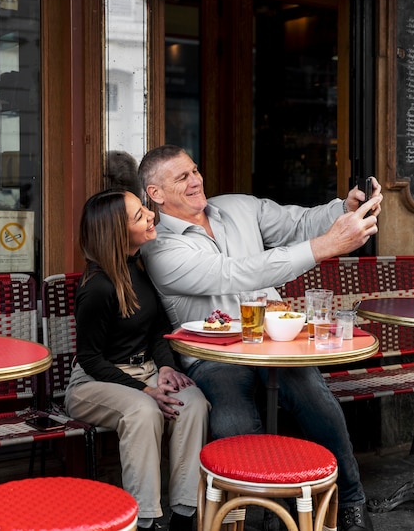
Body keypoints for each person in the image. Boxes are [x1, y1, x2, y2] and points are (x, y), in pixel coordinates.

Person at [138, 144, 383, 531]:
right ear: (156, 193)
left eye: (195, 170)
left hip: (274, 341)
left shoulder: (238, 207)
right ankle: (250, 518)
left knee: (318, 403)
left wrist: (343, 210)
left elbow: (297, 223)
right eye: (181, 177)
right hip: (212, 355)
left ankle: (351, 502)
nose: (196, 180)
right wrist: (326, 247)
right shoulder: (160, 248)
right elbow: (237, 272)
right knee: (232, 421)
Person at [64, 189, 209, 531]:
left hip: (146, 372)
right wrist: (144, 389)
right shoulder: (97, 288)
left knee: (194, 404)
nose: (150, 215)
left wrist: (167, 368)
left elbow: (158, 330)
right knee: (143, 412)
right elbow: (89, 357)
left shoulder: (139, 269)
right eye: (139, 215)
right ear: (117, 231)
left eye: (144, 208)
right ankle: (144, 520)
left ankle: (185, 515)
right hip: (95, 381)